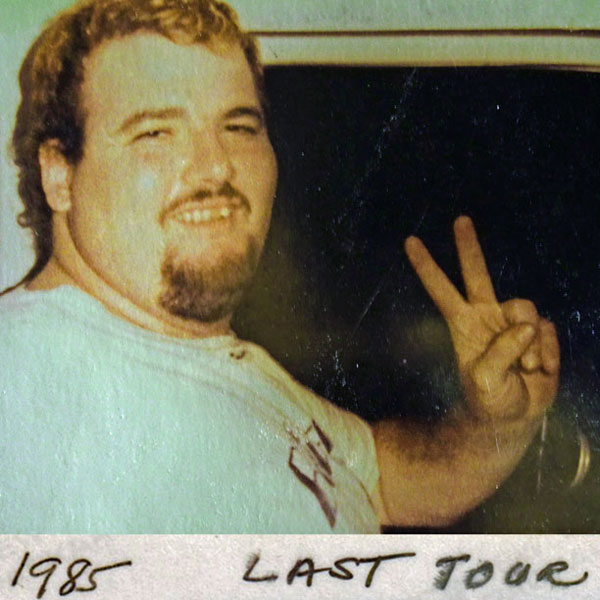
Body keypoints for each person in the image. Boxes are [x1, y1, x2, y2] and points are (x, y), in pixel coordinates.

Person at [0, 0, 559, 533]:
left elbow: (380, 480)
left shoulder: (206, 357)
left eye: (240, 127)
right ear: (59, 175)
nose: (216, 164)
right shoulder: (27, 375)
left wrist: (497, 427)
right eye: (155, 133)